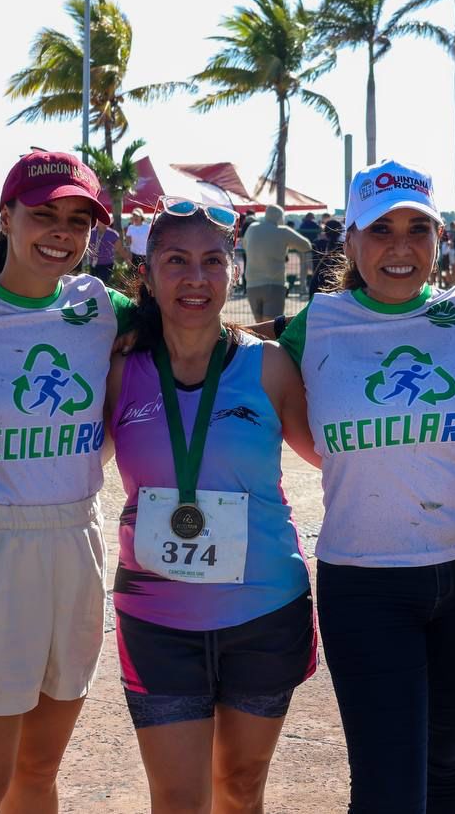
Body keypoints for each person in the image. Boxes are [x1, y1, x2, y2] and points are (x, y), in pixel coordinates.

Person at [277, 159, 455, 813]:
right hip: (364, 581)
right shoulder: (312, 326)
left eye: (419, 228)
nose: (400, 246)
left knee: (451, 761)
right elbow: (266, 400)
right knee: (387, 785)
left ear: (440, 239)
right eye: (380, 229)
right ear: (351, 240)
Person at [0, 151, 134, 814]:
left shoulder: (105, 307)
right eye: (43, 214)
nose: (61, 232)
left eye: (78, 220)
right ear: (5, 217)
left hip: (76, 540)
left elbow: (195, 332)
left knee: (37, 772)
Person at [106, 198, 317, 813]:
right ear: (147, 275)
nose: (195, 278)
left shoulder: (269, 365)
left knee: (241, 788)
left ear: (234, 271)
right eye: (176, 261)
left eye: (213, 261)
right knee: (177, 799)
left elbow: (335, 454)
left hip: (263, 610)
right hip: (156, 617)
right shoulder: (120, 368)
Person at [240, 204, 312, 319]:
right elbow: (306, 245)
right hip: (274, 285)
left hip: (252, 285)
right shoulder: (282, 231)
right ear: (280, 217)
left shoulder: (252, 228)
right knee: (271, 325)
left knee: (259, 325)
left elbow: (244, 245)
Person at [309, 218, 345, 297]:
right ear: (341, 231)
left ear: (325, 231)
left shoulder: (316, 244)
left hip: (317, 286)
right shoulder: (345, 247)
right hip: (339, 289)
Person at [89, 220, 121, 285]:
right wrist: (90, 251)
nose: (101, 222)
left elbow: (118, 247)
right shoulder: (92, 232)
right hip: (94, 262)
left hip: (107, 263)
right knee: (93, 283)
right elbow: (87, 245)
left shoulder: (113, 233)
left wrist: (110, 253)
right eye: (99, 221)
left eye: (103, 220)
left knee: (104, 283)